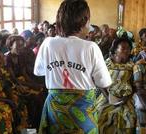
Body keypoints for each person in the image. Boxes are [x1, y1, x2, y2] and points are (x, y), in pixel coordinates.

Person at [34, 0, 112, 133]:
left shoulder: (48, 44)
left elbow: (39, 71)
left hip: (56, 112)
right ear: (85, 21)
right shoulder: (90, 47)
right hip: (82, 114)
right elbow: (104, 82)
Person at [96, 37, 135, 133]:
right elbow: (99, 82)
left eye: (128, 49)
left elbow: (134, 85)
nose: (126, 51)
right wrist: (108, 97)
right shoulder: (107, 64)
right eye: (123, 48)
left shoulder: (132, 66)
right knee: (101, 114)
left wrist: (126, 98)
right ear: (115, 50)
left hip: (125, 99)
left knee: (127, 117)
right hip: (107, 96)